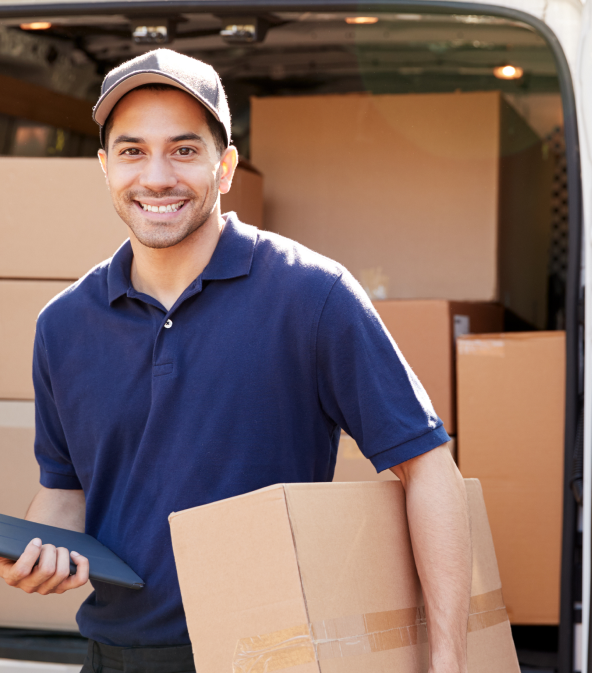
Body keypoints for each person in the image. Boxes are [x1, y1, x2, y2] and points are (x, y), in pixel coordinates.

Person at [0, 49, 471, 673]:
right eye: (132, 150)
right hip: (116, 658)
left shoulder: (311, 294)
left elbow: (429, 468)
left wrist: (450, 660)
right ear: (105, 167)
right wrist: (35, 555)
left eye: (185, 150)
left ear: (225, 168)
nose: (157, 176)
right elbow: (67, 492)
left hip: (272, 655)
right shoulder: (63, 326)